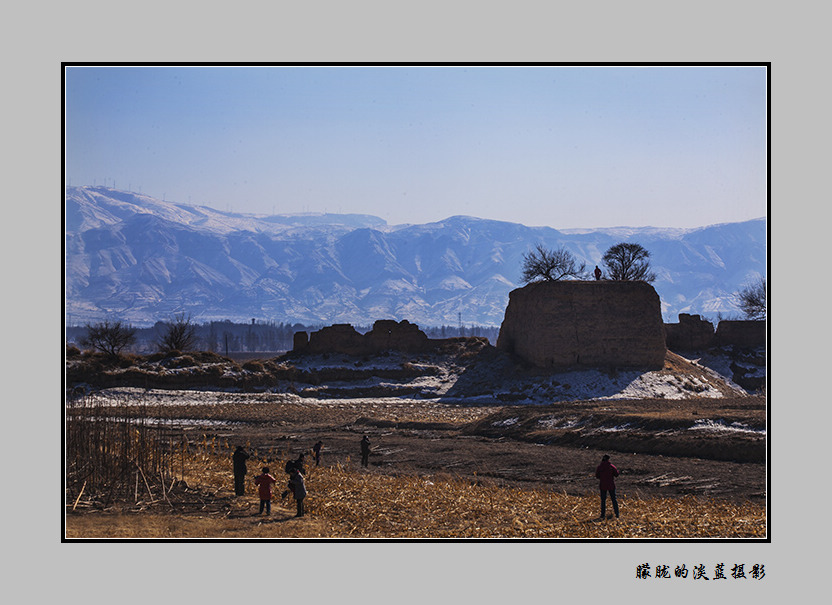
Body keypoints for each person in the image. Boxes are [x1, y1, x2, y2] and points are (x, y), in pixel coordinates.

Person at [595, 454, 620, 519]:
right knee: (614, 499)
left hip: (603, 485)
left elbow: (597, 476)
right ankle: (617, 514)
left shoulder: (600, 467)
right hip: (611, 485)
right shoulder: (611, 466)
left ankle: (602, 515)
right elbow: (616, 474)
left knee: (603, 500)